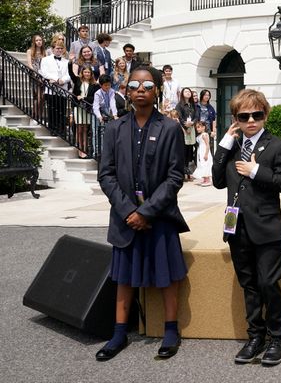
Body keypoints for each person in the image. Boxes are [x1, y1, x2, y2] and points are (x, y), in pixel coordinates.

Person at [96, 65, 189, 361]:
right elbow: (106, 175)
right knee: (123, 277)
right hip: (125, 217)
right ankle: (120, 332)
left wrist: (146, 212)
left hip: (159, 215)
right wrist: (129, 211)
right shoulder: (114, 128)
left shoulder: (171, 128)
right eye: (134, 84)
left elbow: (175, 177)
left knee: (167, 275)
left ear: (157, 90)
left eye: (147, 85)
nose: (140, 89)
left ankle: (171, 330)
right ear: (127, 90)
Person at [212, 89, 281, 366]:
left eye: (256, 115)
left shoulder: (278, 145)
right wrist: (224, 142)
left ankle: (276, 338)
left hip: (267, 228)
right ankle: (255, 336)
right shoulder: (232, 147)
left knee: (268, 283)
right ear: (235, 118)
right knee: (248, 284)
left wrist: (256, 171)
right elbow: (217, 180)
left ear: (265, 115)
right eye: (244, 116)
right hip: (237, 228)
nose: (251, 121)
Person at [39, 41, 71, 136]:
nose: (59, 50)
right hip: (50, 89)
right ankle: (53, 129)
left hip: (62, 89)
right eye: (57, 48)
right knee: (52, 110)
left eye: (61, 48)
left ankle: (62, 130)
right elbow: (43, 72)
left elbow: (69, 74)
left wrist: (63, 80)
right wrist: (57, 79)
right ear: (53, 49)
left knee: (62, 110)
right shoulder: (45, 60)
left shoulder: (66, 61)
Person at [72, 64, 98, 158]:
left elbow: (94, 98)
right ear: (82, 73)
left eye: (88, 72)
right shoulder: (78, 81)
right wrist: (70, 62)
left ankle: (85, 149)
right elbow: (71, 74)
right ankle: (80, 149)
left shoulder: (94, 85)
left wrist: (84, 98)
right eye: (85, 72)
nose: (87, 74)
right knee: (79, 129)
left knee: (85, 129)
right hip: (78, 108)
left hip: (87, 108)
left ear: (91, 74)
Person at [175, 87, 198, 181]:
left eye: (189, 91)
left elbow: (197, 115)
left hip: (192, 128)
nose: (188, 93)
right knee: (183, 150)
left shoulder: (193, 104)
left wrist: (192, 123)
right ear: (182, 93)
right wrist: (185, 126)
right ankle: (183, 171)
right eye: (186, 91)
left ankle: (188, 170)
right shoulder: (179, 105)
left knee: (190, 149)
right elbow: (179, 117)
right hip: (183, 129)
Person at [192, 121, 213, 186]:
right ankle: (204, 179)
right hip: (200, 151)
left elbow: (207, 145)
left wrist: (206, 154)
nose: (197, 129)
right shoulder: (200, 135)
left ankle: (208, 180)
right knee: (201, 164)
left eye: (199, 127)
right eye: (196, 128)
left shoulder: (204, 135)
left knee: (205, 164)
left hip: (204, 151)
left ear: (203, 127)